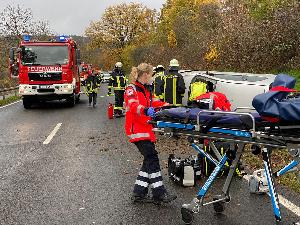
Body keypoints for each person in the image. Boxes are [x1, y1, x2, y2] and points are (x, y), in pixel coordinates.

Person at [124, 63, 177, 204]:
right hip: (136, 130)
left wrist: (167, 106)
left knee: (148, 160)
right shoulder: (131, 89)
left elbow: (154, 101)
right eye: (151, 74)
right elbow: (132, 105)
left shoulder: (146, 90)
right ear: (145, 74)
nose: (152, 77)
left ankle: (138, 192)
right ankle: (159, 193)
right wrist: (146, 110)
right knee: (152, 158)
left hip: (145, 129)